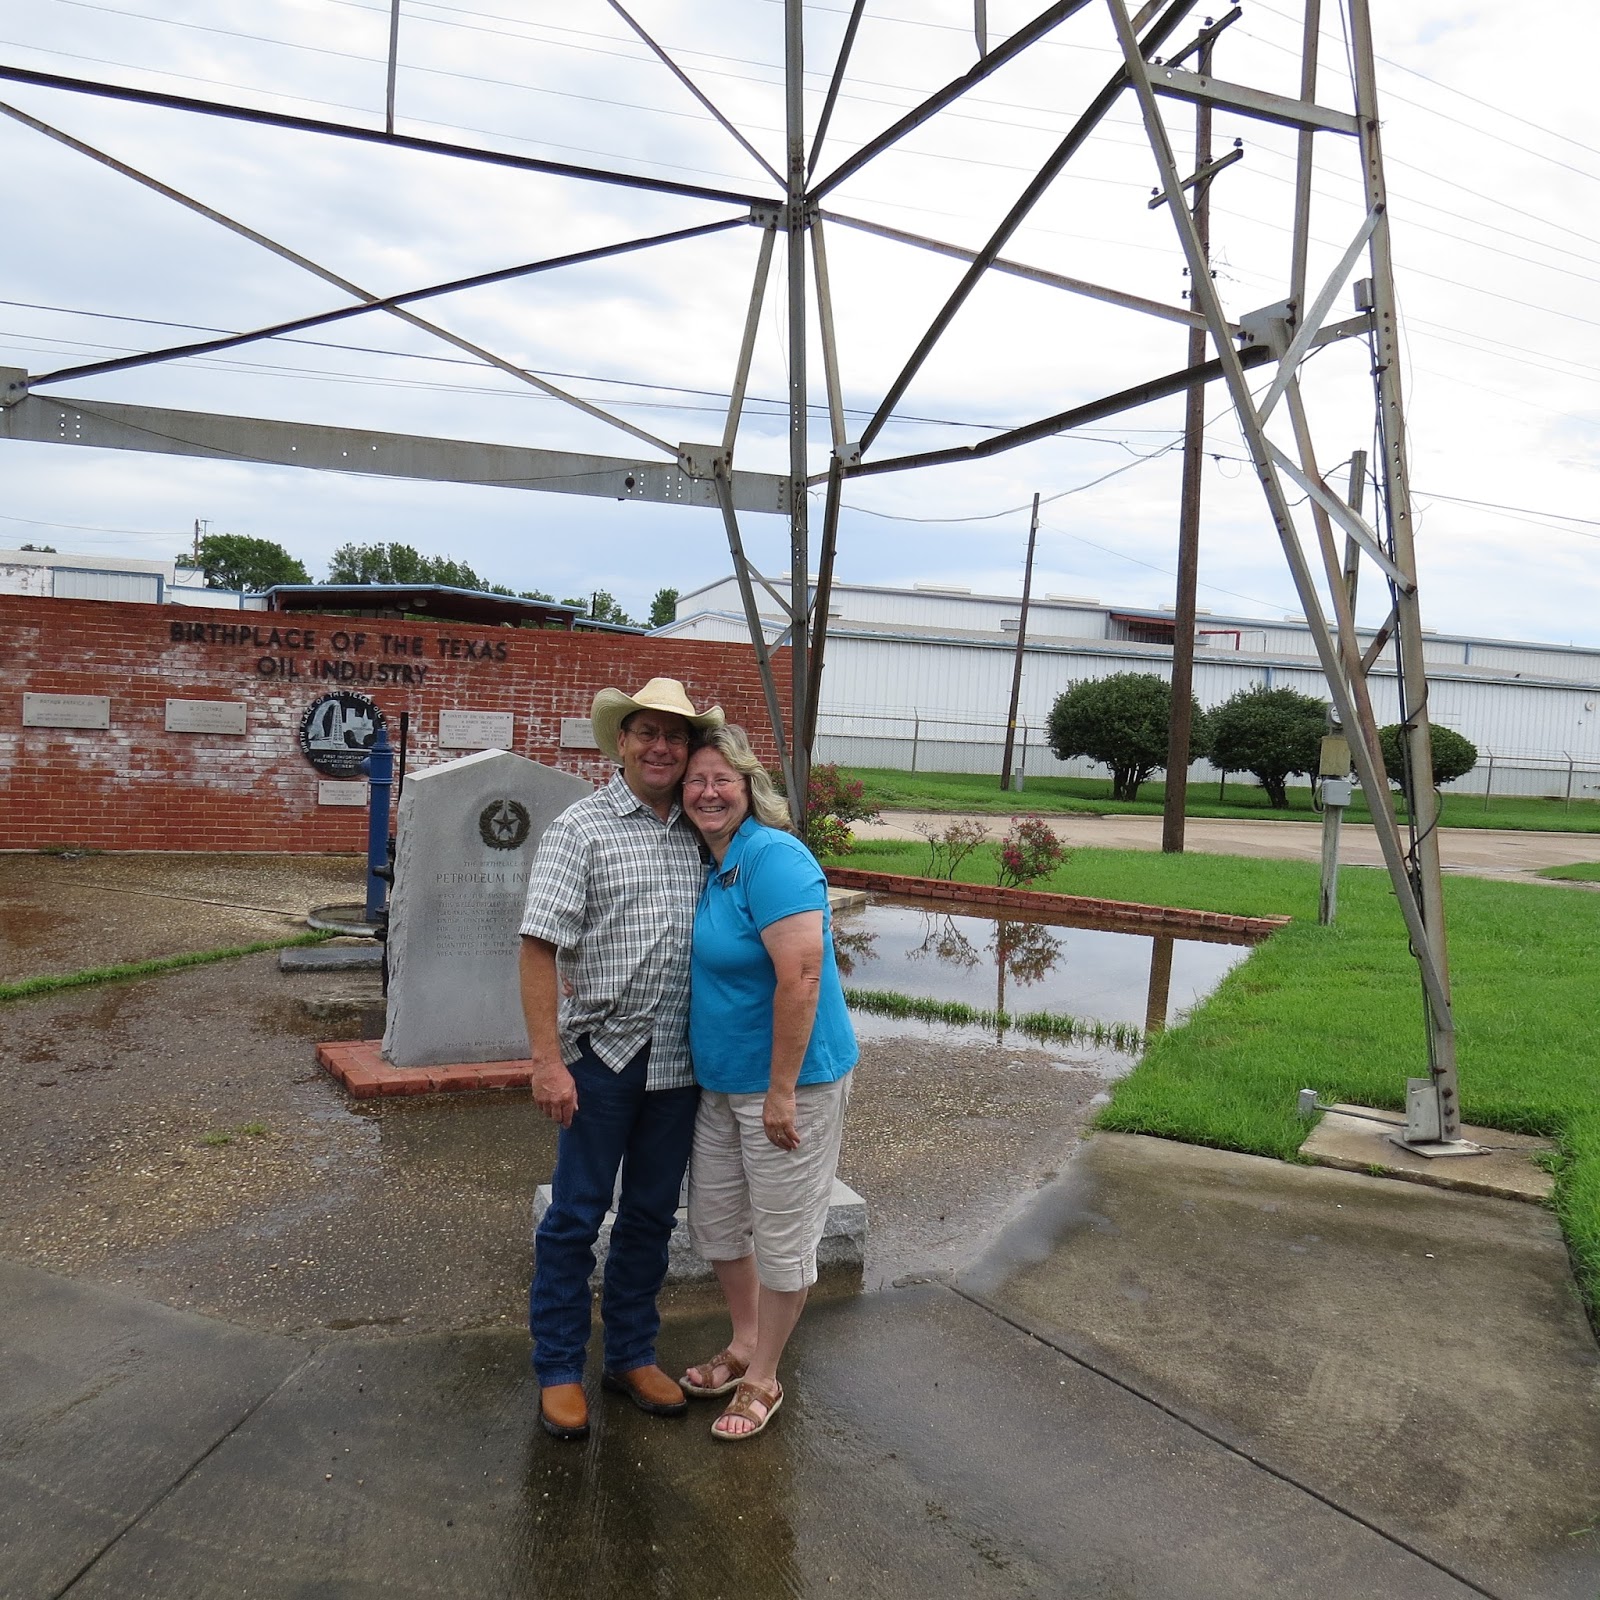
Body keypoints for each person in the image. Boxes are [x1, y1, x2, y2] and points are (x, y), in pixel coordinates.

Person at [519, 675, 724, 1442]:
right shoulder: (583, 828)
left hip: (681, 1059)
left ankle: (632, 1353)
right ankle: (560, 1368)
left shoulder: (707, 829)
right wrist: (546, 1060)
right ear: (624, 741)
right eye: (649, 732)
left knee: (648, 1216)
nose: (662, 746)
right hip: (602, 1057)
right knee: (574, 1218)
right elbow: (539, 946)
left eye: (677, 734)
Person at [674, 724, 858, 1440]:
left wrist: (781, 1090)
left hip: (790, 1085)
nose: (708, 791)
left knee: (784, 1237)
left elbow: (802, 975)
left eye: (723, 778)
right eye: (696, 780)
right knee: (717, 1225)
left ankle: (764, 1376)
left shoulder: (773, 857)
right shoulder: (710, 859)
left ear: (751, 787)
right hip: (720, 1083)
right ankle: (744, 1338)